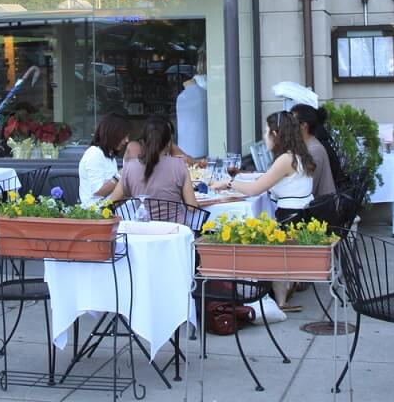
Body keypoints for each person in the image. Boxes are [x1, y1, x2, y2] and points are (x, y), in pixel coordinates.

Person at [211, 109, 316, 311]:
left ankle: (276, 298)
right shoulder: (298, 154)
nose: (263, 135)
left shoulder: (285, 159)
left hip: (289, 220)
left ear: (276, 134)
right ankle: (284, 289)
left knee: (248, 234)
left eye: (266, 130)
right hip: (301, 216)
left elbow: (255, 189)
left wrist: (229, 183)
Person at [107, 115, 198, 208]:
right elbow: (192, 207)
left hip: (141, 222)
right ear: (168, 143)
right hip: (174, 222)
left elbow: (111, 204)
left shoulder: (130, 167)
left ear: (143, 141)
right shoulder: (179, 165)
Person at [79, 113, 133, 205]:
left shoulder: (109, 155)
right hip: (96, 212)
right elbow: (98, 192)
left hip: (111, 207)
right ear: (112, 134)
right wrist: (120, 175)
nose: (127, 140)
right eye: (124, 136)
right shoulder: (94, 154)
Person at [291, 103, 344, 196]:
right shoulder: (308, 144)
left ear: (303, 125)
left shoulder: (314, 150)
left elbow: (306, 189)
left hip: (317, 206)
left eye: (291, 121)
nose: (288, 125)